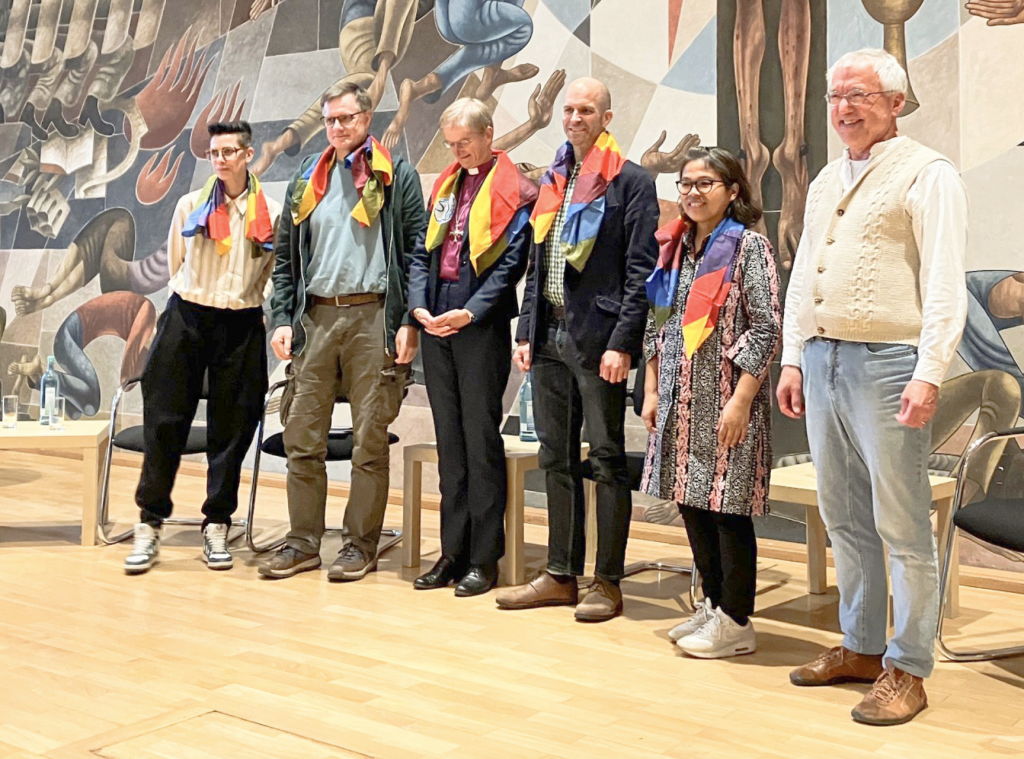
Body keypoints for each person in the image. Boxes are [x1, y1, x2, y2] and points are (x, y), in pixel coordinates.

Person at [777, 48, 968, 725]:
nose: (843, 108)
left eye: (858, 95)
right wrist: (794, 356)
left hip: (891, 363)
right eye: (834, 97)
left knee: (902, 522)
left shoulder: (928, 173)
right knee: (844, 515)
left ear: (895, 101)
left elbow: (945, 282)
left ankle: (908, 665)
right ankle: (860, 645)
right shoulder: (829, 176)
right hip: (825, 360)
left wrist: (930, 371)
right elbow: (804, 272)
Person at [494, 77, 659, 622]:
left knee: (607, 460)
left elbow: (640, 274)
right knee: (554, 459)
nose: (574, 117)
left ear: (606, 118)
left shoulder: (631, 183)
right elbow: (538, 265)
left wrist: (623, 344)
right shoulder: (555, 178)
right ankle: (561, 573)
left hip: (598, 341)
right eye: (568, 109)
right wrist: (525, 330)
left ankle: (607, 582)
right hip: (548, 336)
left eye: (586, 109)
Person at [259, 82, 426, 581]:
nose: (337, 128)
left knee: (368, 441)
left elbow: (417, 253)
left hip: (374, 317)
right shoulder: (305, 180)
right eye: (331, 120)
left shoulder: (396, 176)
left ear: (367, 118)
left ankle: (359, 545)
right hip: (316, 320)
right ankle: (303, 541)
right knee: (300, 435)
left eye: (347, 119)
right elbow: (285, 262)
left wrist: (406, 322)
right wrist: (282, 318)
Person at [640, 147, 781, 658]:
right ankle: (714, 605)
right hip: (679, 400)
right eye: (686, 184)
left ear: (733, 191)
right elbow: (657, 323)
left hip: (724, 401)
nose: (694, 193)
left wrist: (741, 401)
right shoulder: (674, 247)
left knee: (727, 510)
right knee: (690, 501)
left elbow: (766, 327)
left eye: (706, 183)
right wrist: (653, 389)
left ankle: (737, 620)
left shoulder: (748, 248)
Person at [124, 120, 282, 574]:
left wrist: (258, 301)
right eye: (215, 153)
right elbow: (177, 260)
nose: (221, 159)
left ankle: (217, 523)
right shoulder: (190, 205)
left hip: (242, 324)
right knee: (164, 420)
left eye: (230, 152)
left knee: (232, 428)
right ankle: (149, 523)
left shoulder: (268, 210)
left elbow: (275, 269)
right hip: (188, 316)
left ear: (248, 155)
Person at [407, 98, 537, 596]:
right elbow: (422, 250)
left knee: (480, 443)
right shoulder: (444, 184)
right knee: (449, 445)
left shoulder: (516, 190)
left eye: (465, 142)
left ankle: (485, 558)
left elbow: (510, 266)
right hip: (436, 324)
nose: (457, 151)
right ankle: (451, 552)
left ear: (488, 135)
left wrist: (470, 311)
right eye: (451, 144)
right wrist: (419, 308)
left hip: (478, 326)